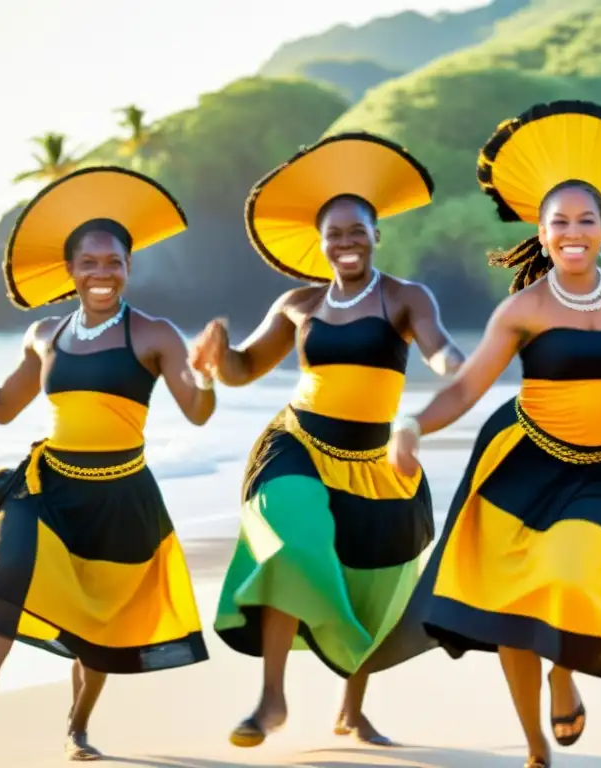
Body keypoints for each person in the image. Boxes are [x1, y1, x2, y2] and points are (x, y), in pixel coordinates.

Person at [383, 100, 601, 768]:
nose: (573, 232)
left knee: (572, 575)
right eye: (559, 222)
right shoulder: (524, 309)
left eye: (586, 220)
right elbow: (465, 386)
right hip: (524, 461)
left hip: (599, 470)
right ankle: (536, 746)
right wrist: (411, 424)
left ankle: (563, 674)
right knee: (512, 608)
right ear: (541, 236)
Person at [187, 132, 465, 749]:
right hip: (297, 444)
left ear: (376, 233)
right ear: (320, 243)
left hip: (372, 459)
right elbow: (242, 369)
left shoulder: (404, 297)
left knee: (372, 583)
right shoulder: (298, 303)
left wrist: (455, 368)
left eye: (356, 229)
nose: (345, 242)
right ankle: (272, 697)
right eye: (334, 233)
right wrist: (214, 358)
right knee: (290, 541)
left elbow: (440, 347)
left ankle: (351, 710)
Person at [0, 166, 214, 765]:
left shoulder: (155, 334)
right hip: (48, 486)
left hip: (122, 497)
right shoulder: (44, 334)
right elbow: (3, 407)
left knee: (98, 629)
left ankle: (78, 725)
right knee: (1, 577)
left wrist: (209, 378)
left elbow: (195, 410)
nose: (102, 273)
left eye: (113, 261)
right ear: (70, 271)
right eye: (89, 263)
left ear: (128, 266)